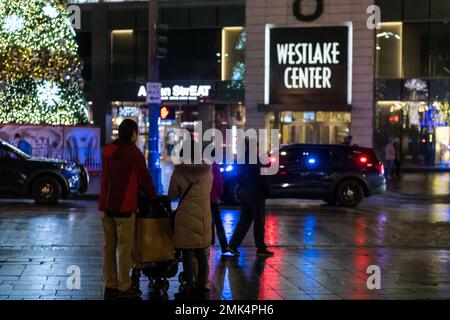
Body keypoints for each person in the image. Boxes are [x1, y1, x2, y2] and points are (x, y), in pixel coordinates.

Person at [99, 119, 156, 300]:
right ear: (133, 134)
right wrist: (153, 197)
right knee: (125, 248)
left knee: (109, 247)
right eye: (136, 133)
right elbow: (145, 178)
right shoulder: (134, 153)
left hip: (107, 207)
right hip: (125, 207)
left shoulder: (107, 151)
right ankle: (124, 286)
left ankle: (110, 284)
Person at [169, 140, 212, 299]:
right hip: (203, 216)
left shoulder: (179, 171)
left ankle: (189, 284)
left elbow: (172, 194)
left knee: (186, 250)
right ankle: (203, 283)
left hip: (186, 215)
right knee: (201, 249)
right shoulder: (207, 170)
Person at [226, 139, 274, 257]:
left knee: (244, 220)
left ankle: (233, 245)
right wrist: (267, 190)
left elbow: (236, 175)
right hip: (255, 192)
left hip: (244, 191)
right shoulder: (254, 159)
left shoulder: (241, 159)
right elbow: (260, 176)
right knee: (259, 220)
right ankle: (261, 248)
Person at [211, 160, 228, 254]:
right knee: (218, 223)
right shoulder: (213, 165)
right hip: (212, 198)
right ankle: (224, 245)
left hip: (201, 198)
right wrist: (219, 193)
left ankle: (209, 242)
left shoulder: (197, 163)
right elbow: (218, 181)